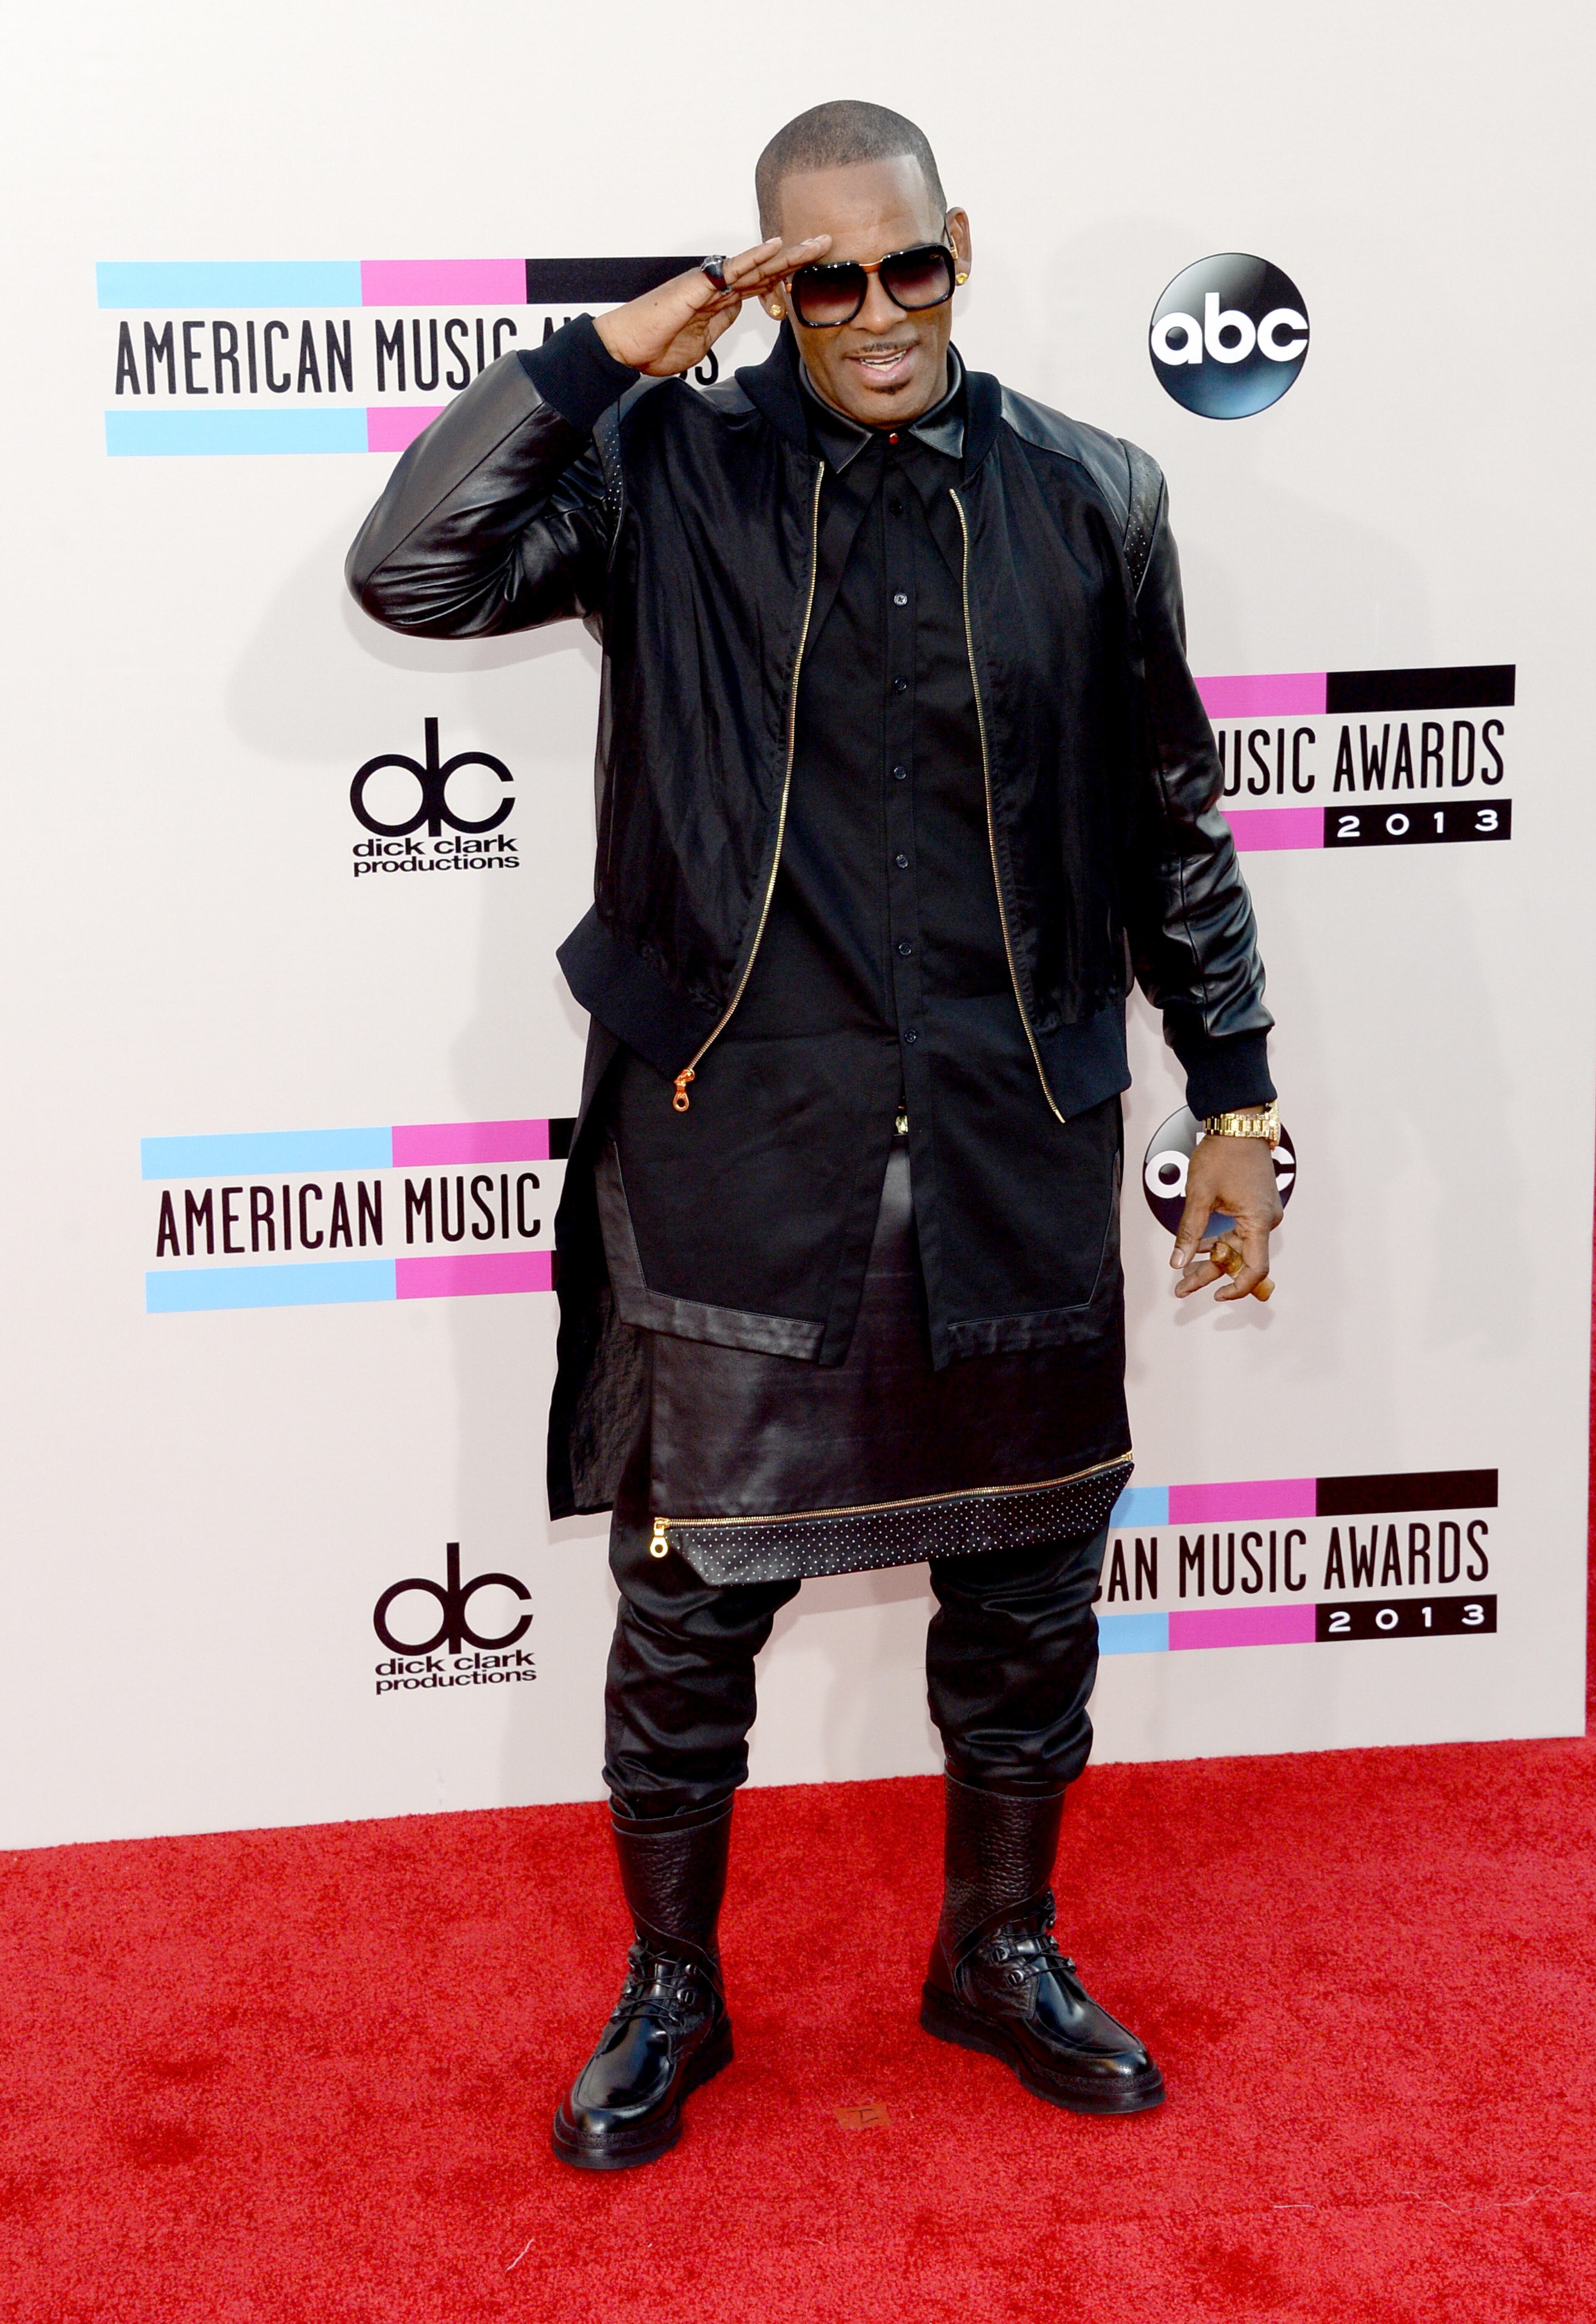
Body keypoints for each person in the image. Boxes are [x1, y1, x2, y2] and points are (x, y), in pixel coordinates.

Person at [347, 99, 1282, 2171]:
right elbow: (409, 568)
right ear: (771, 281)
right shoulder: (662, 473)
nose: (875, 313)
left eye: (908, 265)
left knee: (1031, 1584)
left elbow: (1171, 823)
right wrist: (622, 347)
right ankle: (671, 1990)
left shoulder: (1096, 494)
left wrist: (1236, 1086)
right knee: (693, 1608)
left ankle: (998, 1949)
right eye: (824, 277)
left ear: (963, 249)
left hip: (1014, 1133)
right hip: (741, 1142)